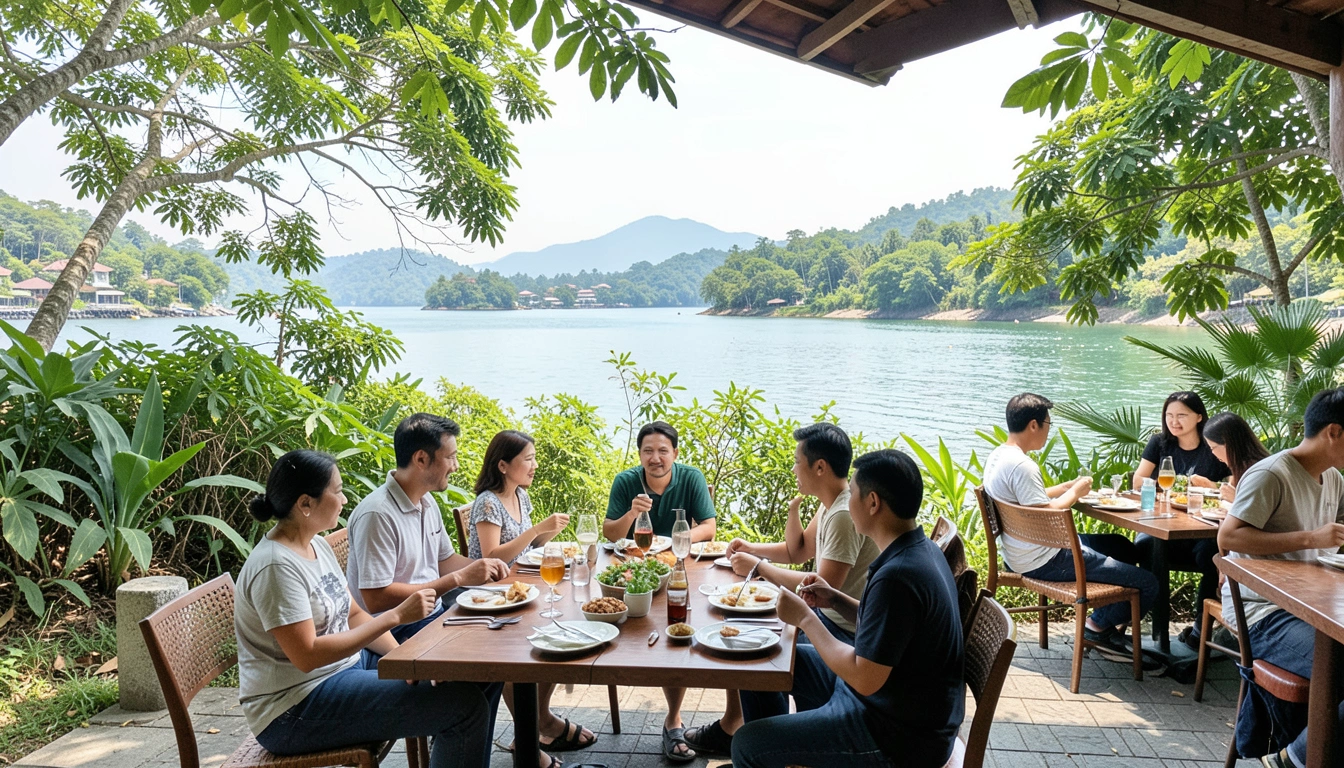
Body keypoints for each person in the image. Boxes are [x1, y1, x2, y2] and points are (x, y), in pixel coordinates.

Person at [235, 450, 491, 768]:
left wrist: (405, 661)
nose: (343, 500)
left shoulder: (316, 544)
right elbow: (308, 655)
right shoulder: (275, 566)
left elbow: (354, 614)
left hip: (343, 669)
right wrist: (396, 616)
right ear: (305, 504)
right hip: (293, 708)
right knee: (463, 707)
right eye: (338, 491)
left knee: (466, 672)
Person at [731, 449, 964, 768]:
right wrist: (834, 598)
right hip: (890, 705)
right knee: (761, 661)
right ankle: (777, 752)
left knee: (747, 743)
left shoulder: (898, 576)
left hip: (894, 737)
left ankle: (764, 751)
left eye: (852, 493)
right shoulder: (920, 551)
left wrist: (805, 617)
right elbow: (892, 629)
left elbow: (864, 676)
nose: (847, 501)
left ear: (873, 503)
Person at [683, 422, 879, 757]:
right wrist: (756, 548)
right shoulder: (831, 503)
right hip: (831, 619)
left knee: (754, 650)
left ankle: (758, 741)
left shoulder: (844, 514)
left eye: (796, 461)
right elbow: (798, 550)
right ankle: (757, 736)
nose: (792, 468)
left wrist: (759, 569)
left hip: (843, 629)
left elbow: (822, 586)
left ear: (820, 467)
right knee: (751, 637)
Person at [343, 414, 511, 758]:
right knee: (477, 673)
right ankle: (457, 745)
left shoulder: (427, 501)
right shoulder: (378, 514)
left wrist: (497, 571)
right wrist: (458, 580)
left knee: (498, 658)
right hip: (393, 634)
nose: (456, 465)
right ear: (421, 458)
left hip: (431, 619)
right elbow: (376, 599)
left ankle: (465, 755)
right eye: (450, 457)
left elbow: (447, 561)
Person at [982, 393, 1160, 667]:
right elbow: (1047, 516)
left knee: (1121, 546)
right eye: (1048, 423)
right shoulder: (1023, 466)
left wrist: (1064, 488)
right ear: (1033, 425)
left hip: (1019, 551)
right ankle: (1097, 627)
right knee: (1148, 582)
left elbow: (1030, 503)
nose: (1047, 429)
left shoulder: (1000, 456)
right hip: (1047, 560)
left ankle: (1105, 622)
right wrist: (1076, 492)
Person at [1218, 388, 1344, 768]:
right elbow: (1228, 538)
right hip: (1265, 614)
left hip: (1312, 605)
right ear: (1334, 432)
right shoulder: (1272, 473)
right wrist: (1311, 537)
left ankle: (1300, 754)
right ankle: (1296, 758)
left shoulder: (1334, 478)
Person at [467, 430, 598, 759]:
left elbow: (532, 546)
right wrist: (538, 528)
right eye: (528, 459)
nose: (534, 465)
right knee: (538, 644)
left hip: (522, 588)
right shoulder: (487, 502)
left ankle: (539, 722)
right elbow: (492, 555)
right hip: (494, 595)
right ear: (503, 465)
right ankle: (536, 728)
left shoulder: (520, 495)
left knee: (559, 631)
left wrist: (550, 532)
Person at [603, 421, 715, 762]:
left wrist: (678, 542)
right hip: (634, 569)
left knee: (676, 633)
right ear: (640, 455)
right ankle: (540, 722)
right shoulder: (626, 481)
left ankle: (674, 718)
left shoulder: (691, 477)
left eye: (663, 451)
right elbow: (610, 533)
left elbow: (709, 527)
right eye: (648, 451)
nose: (656, 458)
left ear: (675, 454)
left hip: (680, 569)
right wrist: (632, 513)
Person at [1131, 392, 1230, 648]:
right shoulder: (1160, 443)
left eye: (1181, 415)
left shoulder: (1214, 447)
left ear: (1199, 417)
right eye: (1169, 415)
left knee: (1214, 553)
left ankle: (1201, 629)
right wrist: (1170, 486)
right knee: (1152, 545)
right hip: (1160, 526)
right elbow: (1138, 481)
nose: (1174, 422)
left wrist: (1210, 486)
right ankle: (1159, 637)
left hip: (1200, 531)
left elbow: (1234, 488)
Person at [1203, 411, 1270, 504]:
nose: (1212, 453)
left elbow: (1260, 513)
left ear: (1228, 444)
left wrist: (1236, 500)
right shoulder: (1243, 466)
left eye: (1212, 447)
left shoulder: (1258, 472)